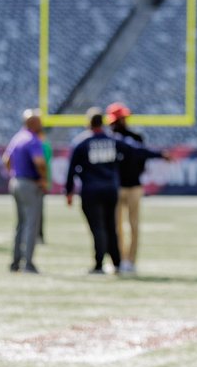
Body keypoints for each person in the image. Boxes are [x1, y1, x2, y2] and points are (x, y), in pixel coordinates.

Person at [65, 109, 156, 275]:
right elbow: (137, 150)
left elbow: (71, 169)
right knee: (111, 227)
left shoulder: (81, 142)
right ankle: (117, 262)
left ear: (88, 123)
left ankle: (99, 263)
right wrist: (161, 154)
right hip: (111, 189)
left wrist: (68, 191)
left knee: (98, 227)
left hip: (91, 190)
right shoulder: (112, 141)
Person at [105, 102, 168, 275]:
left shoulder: (135, 137)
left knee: (133, 225)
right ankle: (118, 260)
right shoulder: (108, 139)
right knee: (116, 227)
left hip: (133, 186)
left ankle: (130, 261)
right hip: (116, 187)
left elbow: (143, 158)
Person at [3, 111, 47, 273]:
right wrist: (43, 178)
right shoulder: (32, 140)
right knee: (31, 224)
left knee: (21, 224)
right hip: (29, 183)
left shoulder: (17, 137)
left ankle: (15, 262)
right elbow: (40, 162)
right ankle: (28, 263)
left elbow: (6, 160)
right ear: (33, 123)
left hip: (15, 181)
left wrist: (14, 174)